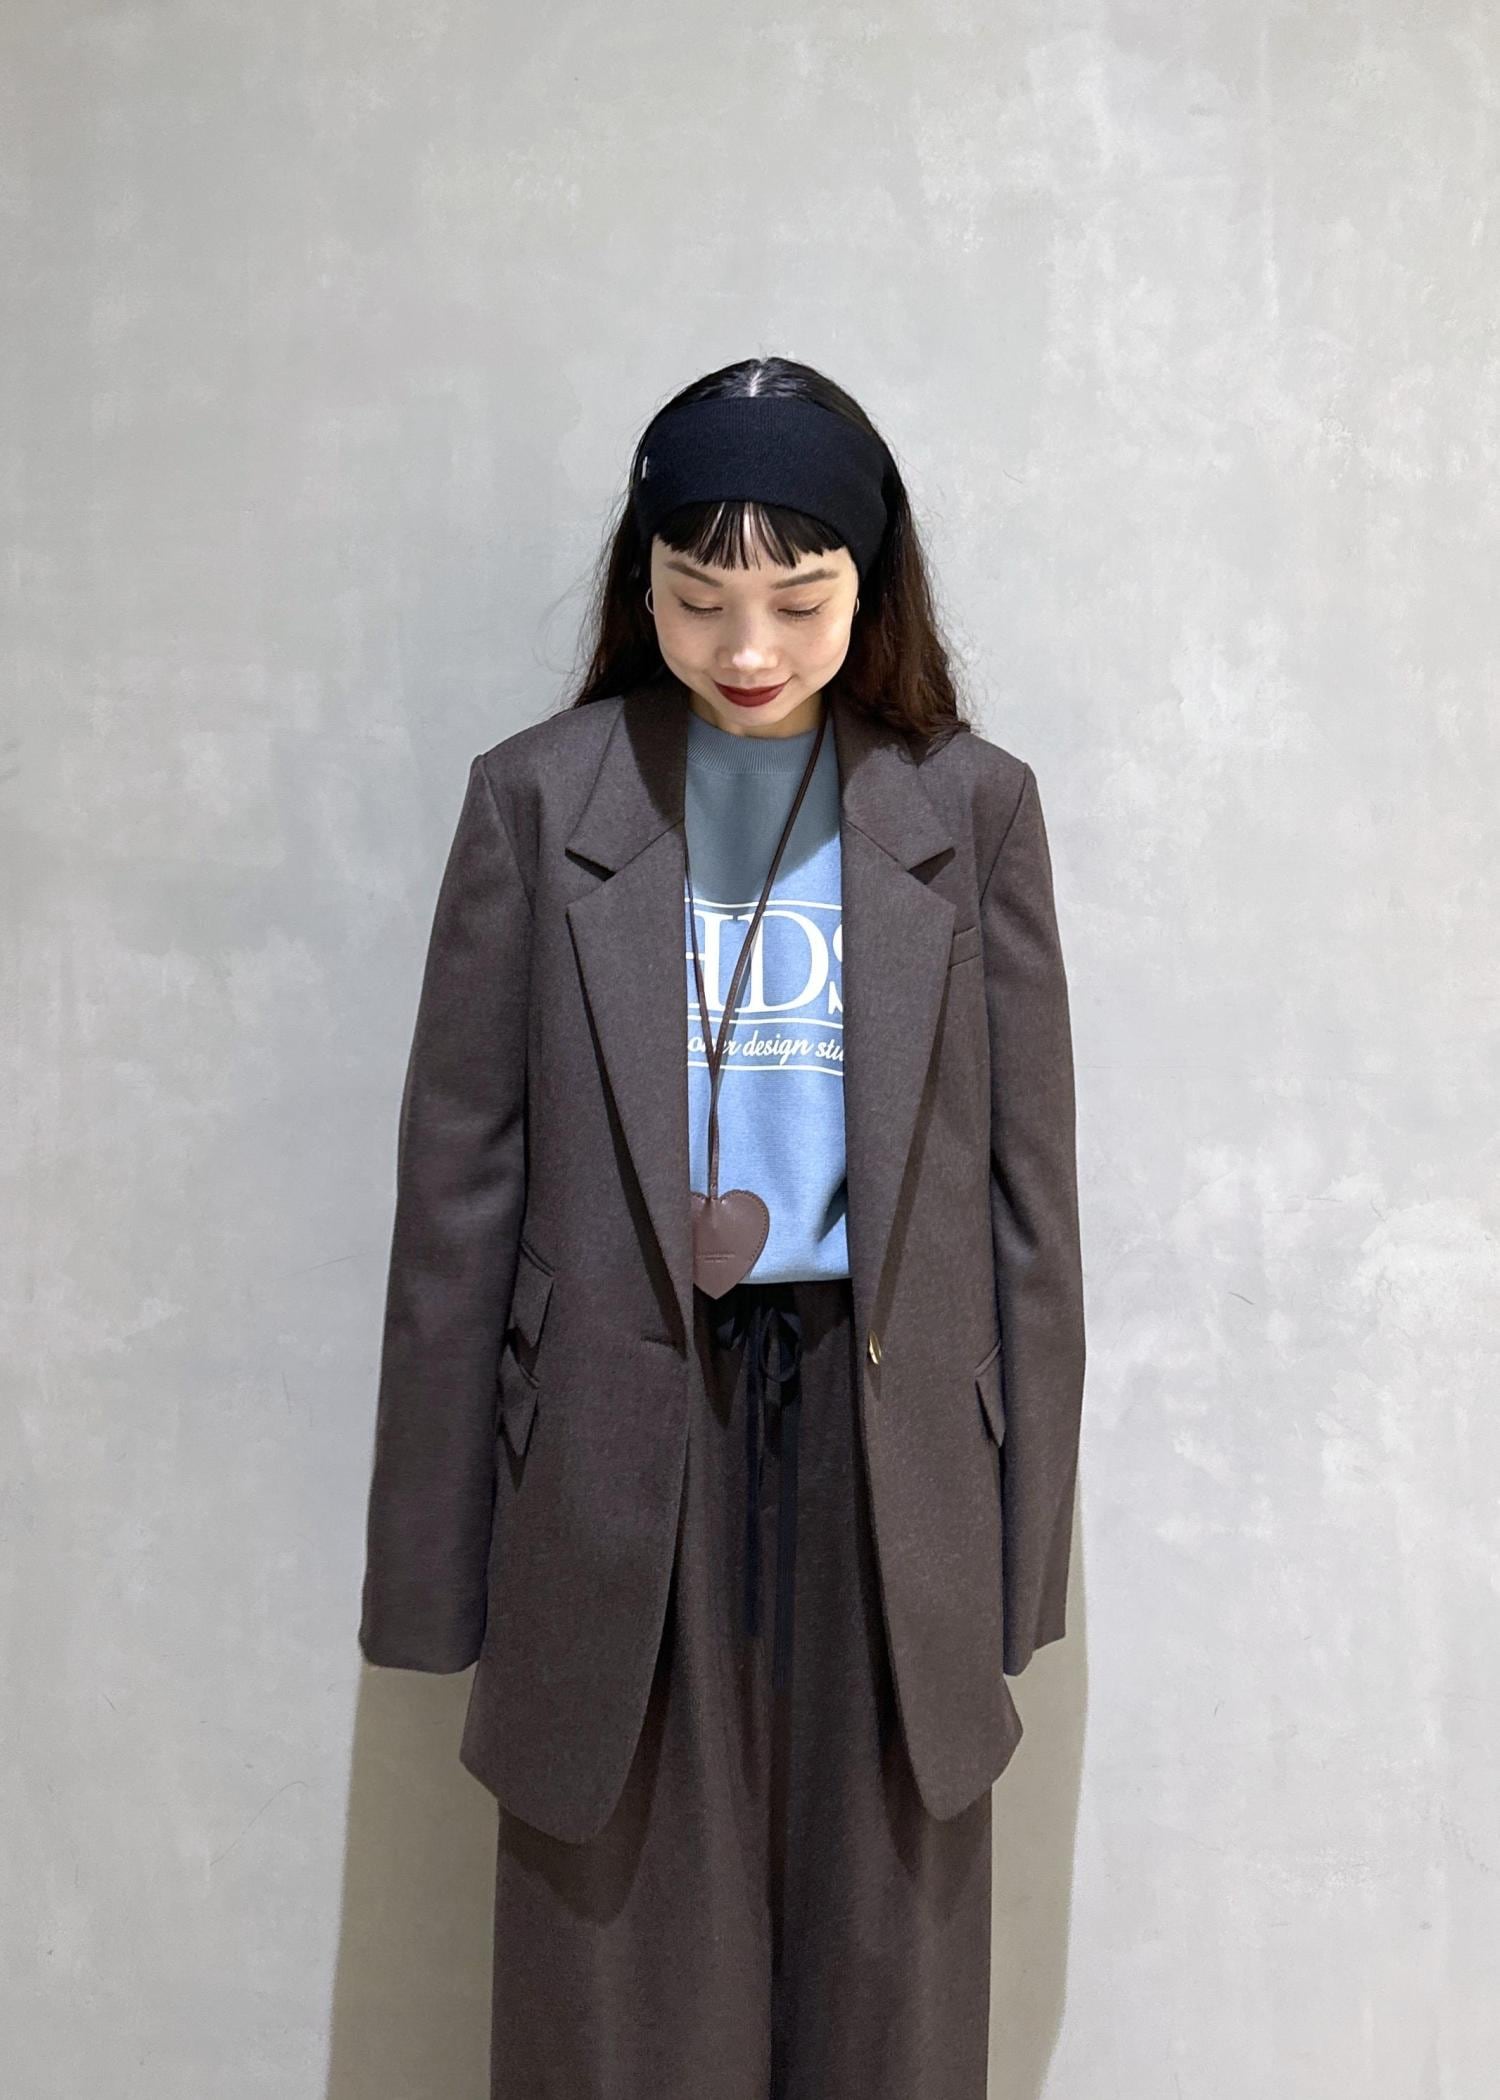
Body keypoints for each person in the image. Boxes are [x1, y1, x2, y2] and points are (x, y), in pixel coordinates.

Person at [358, 356, 1086, 2098]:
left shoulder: (969, 807)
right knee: (617, 1983)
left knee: (886, 1980)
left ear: (870, 586)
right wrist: (428, 1580)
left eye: (798, 600)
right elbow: (456, 1205)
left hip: (885, 1439)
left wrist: (1019, 1556)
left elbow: (1030, 1210)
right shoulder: (539, 801)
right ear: (643, 586)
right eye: (698, 598)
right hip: (618, 1438)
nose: (747, 647)